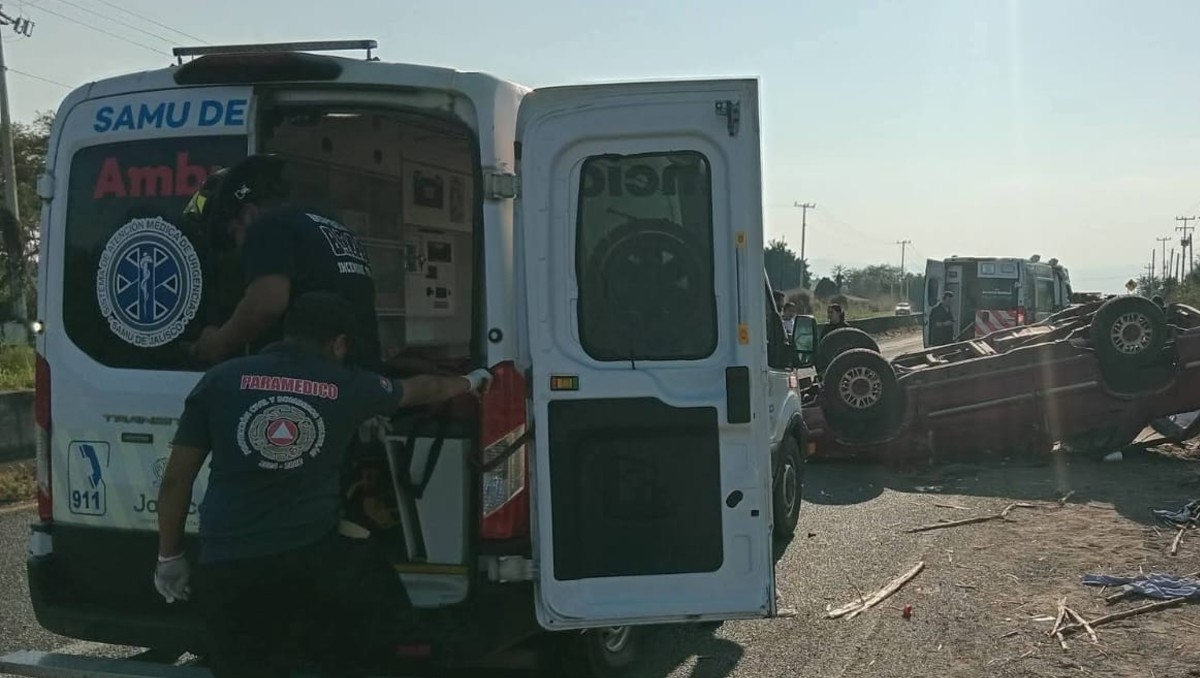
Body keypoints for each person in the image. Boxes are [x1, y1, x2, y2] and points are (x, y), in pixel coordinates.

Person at [153, 292, 494, 678]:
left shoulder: (219, 381)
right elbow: (424, 389)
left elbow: (176, 480)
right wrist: (471, 381)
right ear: (339, 343)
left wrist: (170, 558)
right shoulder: (346, 384)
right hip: (307, 562)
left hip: (226, 567)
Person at [185, 154, 382, 369]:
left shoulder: (268, 225)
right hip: (360, 376)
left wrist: (217, 343)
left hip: (314, 382)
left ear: (249, 215)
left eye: (234, 233)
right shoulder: (331, 227)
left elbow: (266, 305)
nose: (239, 247)